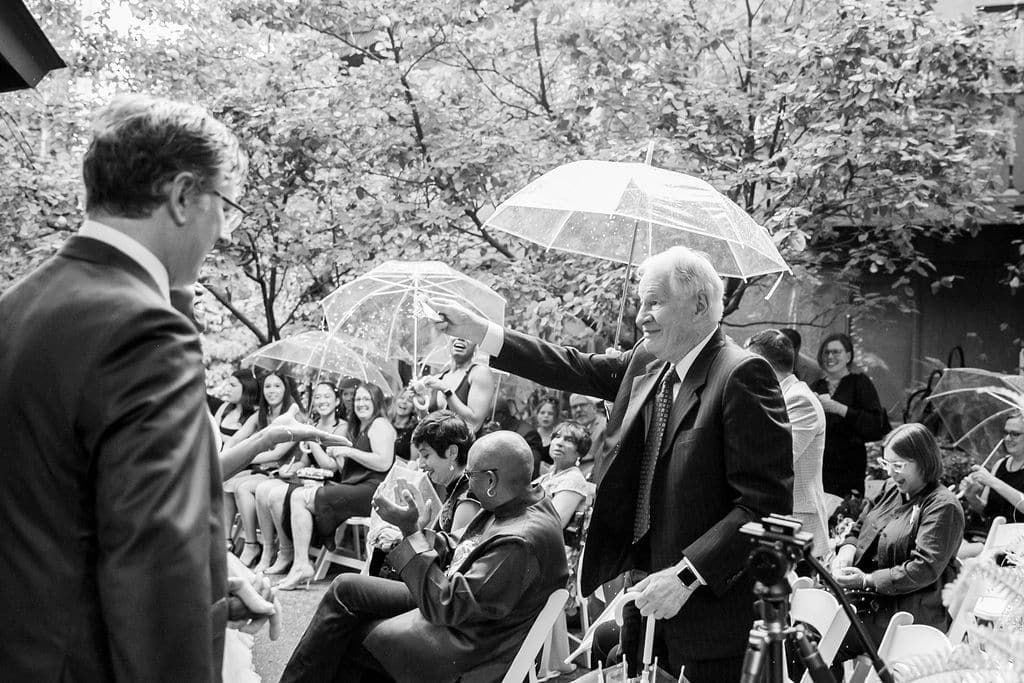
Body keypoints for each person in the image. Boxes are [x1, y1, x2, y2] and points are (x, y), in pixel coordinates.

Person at [431, 246, 793, 682]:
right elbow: (572, 366)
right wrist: (481, 330)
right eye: (640, 302)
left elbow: (763, 508)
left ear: (699, 305)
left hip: (710, 617)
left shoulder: (741, 375)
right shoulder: (648, 359)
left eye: (655, 302)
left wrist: (686, 576)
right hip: (643, 595)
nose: (641, 316)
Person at [0, 94, 246, 681]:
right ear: (184, 196)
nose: (223, 233)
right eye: (226, 208)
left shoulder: (19, 306)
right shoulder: (145, 330)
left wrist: (219, 581)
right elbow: (156, 561)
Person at [278, 431, 569, 682]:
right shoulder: (519, 499)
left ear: (491, 480)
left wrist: (411, 534)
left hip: (469, 642)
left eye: (470, 475)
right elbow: (460, 544)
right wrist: (417, 530)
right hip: (466, 606)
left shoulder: (519, 541)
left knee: (350, 637)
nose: (466, 481)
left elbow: (448, 607)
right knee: (345, 588)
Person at [829, 423, 964, 667]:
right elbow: (859, 528)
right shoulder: (891, 489)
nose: (890, 473)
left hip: (908, 614)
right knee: (804, 629)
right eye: (886, 464)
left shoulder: (942, 506)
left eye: (898, 465)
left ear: (923, 461)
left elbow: (923, 568)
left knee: (819, 640)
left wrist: (866, 580)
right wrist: (845, 554)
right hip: (870, 603)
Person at [278, 382, 396, 590]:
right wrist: (338, 454)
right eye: (357, 399)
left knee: (299, 497)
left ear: (377, 402)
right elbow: (347, 468)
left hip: (374, 491)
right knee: (299, 494)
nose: (361, 403)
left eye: (366, 399)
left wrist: (349, 452)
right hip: (360, 487)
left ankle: (302, 565)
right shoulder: (360, 427)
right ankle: (301, 564)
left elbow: (384, 462)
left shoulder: (380, 424)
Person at [747, 329, 830, 558]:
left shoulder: (799, 399)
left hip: (798, 522)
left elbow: (778, 458)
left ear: (761, 364)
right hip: (781, 521)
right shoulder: (777, 396)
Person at [252, 381, 346, 574]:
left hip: (333, 482)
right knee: (263, 489)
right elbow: (305, 460)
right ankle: (277, 550)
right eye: (318, 397)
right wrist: (293, 467)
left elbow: (332, 465)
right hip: (307, 478)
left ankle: (289, 553)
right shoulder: (313, 425)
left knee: (276, 494)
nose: (321, 401)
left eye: (327, 396)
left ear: (337, 401)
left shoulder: (342, 427)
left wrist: (313, 440)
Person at [224, 370, 300, 566]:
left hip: (284, 474)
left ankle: (254, 545)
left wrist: (246, 457)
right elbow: (236, 439)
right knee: (227, 482)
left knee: (242, 487)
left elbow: (277, 454)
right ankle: (228, 540)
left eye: (277, 386)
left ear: (286, 389)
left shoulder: (293, 415)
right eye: (267, 386)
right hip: (263, 471)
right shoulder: (261, 415)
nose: (271, 391)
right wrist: (227, 455)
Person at [811, 333, 890, 499]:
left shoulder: (860, 383)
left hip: (850, 465)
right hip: (820, 465)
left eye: (836, 352)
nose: (830, 357)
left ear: (848, 356)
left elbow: (875, 425)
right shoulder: (816, 386)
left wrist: (840, 409)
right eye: (826, 352)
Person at [959, 413, 1024, 552]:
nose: (1008, 438)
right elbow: (986, 511)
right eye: (1005, 433)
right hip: (989, 540)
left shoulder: (993, 479)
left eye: (1015, 434)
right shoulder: (1000, 464)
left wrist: (993, 481)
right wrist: (971, 496)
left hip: (1017, 549)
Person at [415, 336, 496, 434]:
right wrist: (420, 405)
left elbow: (473, 425)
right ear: (449, 339)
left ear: (476, 344)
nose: (461, 338)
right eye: (456, 333)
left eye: (468, 335)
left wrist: (446, 391)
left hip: (462, 448)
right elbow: (427, 426)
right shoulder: (439, 377)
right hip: (435, 447)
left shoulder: (480, 373)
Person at [214, 369, 260, 448]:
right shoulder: (225, 406)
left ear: (247, 388)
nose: (228, 389)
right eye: (228, 384)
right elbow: (212, 433)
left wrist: (220, 436)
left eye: (233, 385)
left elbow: (248, 445)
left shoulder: (257, 414)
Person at [568, 393, 609, 480]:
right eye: (574, 407)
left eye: (583, 405)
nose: (578, 410)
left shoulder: (605, 425)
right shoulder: (570, 428)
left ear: (594, 408)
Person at [524, 396, 561, 478]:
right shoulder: (530, 435)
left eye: (550, 413)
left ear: (555, 417)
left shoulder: (559, 436)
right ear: (537, 415)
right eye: (542, 413)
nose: (546, 416)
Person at [390, 386, 420, 462]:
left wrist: (390, 458)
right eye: (401, 398)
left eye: (409, 401)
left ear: (414, 407)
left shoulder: (415, 430)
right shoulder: (385, 422)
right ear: (395, 400)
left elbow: (413, 463)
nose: (404, 402)